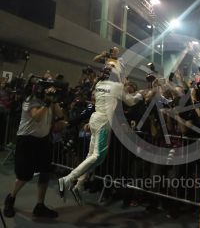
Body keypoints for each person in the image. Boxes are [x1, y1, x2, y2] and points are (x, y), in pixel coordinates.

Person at [58, 61, 143, 204]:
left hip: (95, 120)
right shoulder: (117, 87)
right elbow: (130, 101)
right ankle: (68, 179)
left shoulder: (99, 84)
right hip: (104, 123)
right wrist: (139, 95)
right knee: (98, 156)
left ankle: (79, 185)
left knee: (92, 155)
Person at [3, 83, 64, 218]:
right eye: (47, 93)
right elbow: (36, 117)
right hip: (27, 140)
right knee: (24, 175)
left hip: (43, 141)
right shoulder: (29, 100)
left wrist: (54, 101)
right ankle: (11, 198)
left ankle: (40, 206)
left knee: (45, 172)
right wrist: (47, 102)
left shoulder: (49, 102)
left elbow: (60, 115)